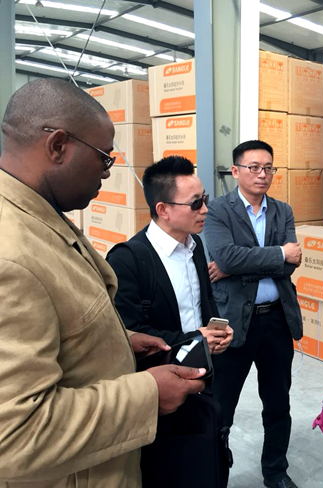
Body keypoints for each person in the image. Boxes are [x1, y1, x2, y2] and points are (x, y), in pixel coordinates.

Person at [0, 79, 205, 488]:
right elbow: (15, 435)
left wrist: (115, 340)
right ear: (58, 145)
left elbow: (57, 322)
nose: (107, 173)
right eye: (103, 158)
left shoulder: (41, 216)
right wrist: (147, 395)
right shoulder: (11, 255)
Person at [106, 156, 234, 487]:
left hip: (202, 379)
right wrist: (193, 337)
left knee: (208, 458)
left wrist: (215, 332)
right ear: (163, 209)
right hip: (161, 390)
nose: (205, 210)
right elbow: (129, 335)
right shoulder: (128, 259)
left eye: (205, 199)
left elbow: (204, 303)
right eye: (195, 204)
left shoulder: (195, 245)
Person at [203, 140, 303, 488]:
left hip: (276, 319)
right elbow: (226, 256)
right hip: (232, 322)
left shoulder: (283, 211)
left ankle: (275, 472)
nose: (263, 174)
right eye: (254, 167)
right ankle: (215, 473)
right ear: (236, 171)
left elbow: (291, 264)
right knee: (221, 405)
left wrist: (236, 266)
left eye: (268, 168)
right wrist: (277, 254)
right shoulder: (218, 210)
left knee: (277, 404)